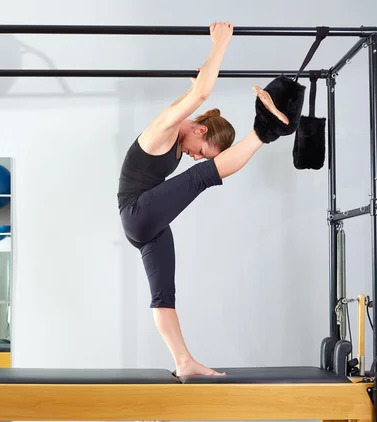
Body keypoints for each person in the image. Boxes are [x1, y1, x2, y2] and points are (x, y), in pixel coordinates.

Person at [117, 22, 291, 377]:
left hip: (150, 224)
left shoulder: (184, 132)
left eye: (202, 154)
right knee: (200, 178)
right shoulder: (163, 127)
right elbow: (200, 95)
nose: (198, 155)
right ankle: (265, 131)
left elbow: (196, 93)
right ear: (200, 129)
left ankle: (184, 361)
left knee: (164, 295)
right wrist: (220, 44)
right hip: (137, 212)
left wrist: (197, 82)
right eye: (203, 149)